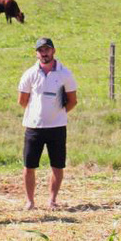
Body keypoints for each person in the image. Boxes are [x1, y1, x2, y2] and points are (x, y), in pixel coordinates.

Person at [18, 38, 78, 210]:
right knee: (29, 166)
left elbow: (73, 100)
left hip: (57, 128)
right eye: (40, 50)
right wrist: (37, 113)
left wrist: (58, 114)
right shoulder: (29, 74)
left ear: (53, 51)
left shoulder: (65, 73)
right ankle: (30, 201)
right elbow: (22, 100)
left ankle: (52, 200)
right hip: (34, 127)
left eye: (47, 50)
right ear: (36, 53)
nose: (44, 53)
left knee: (57, 165)